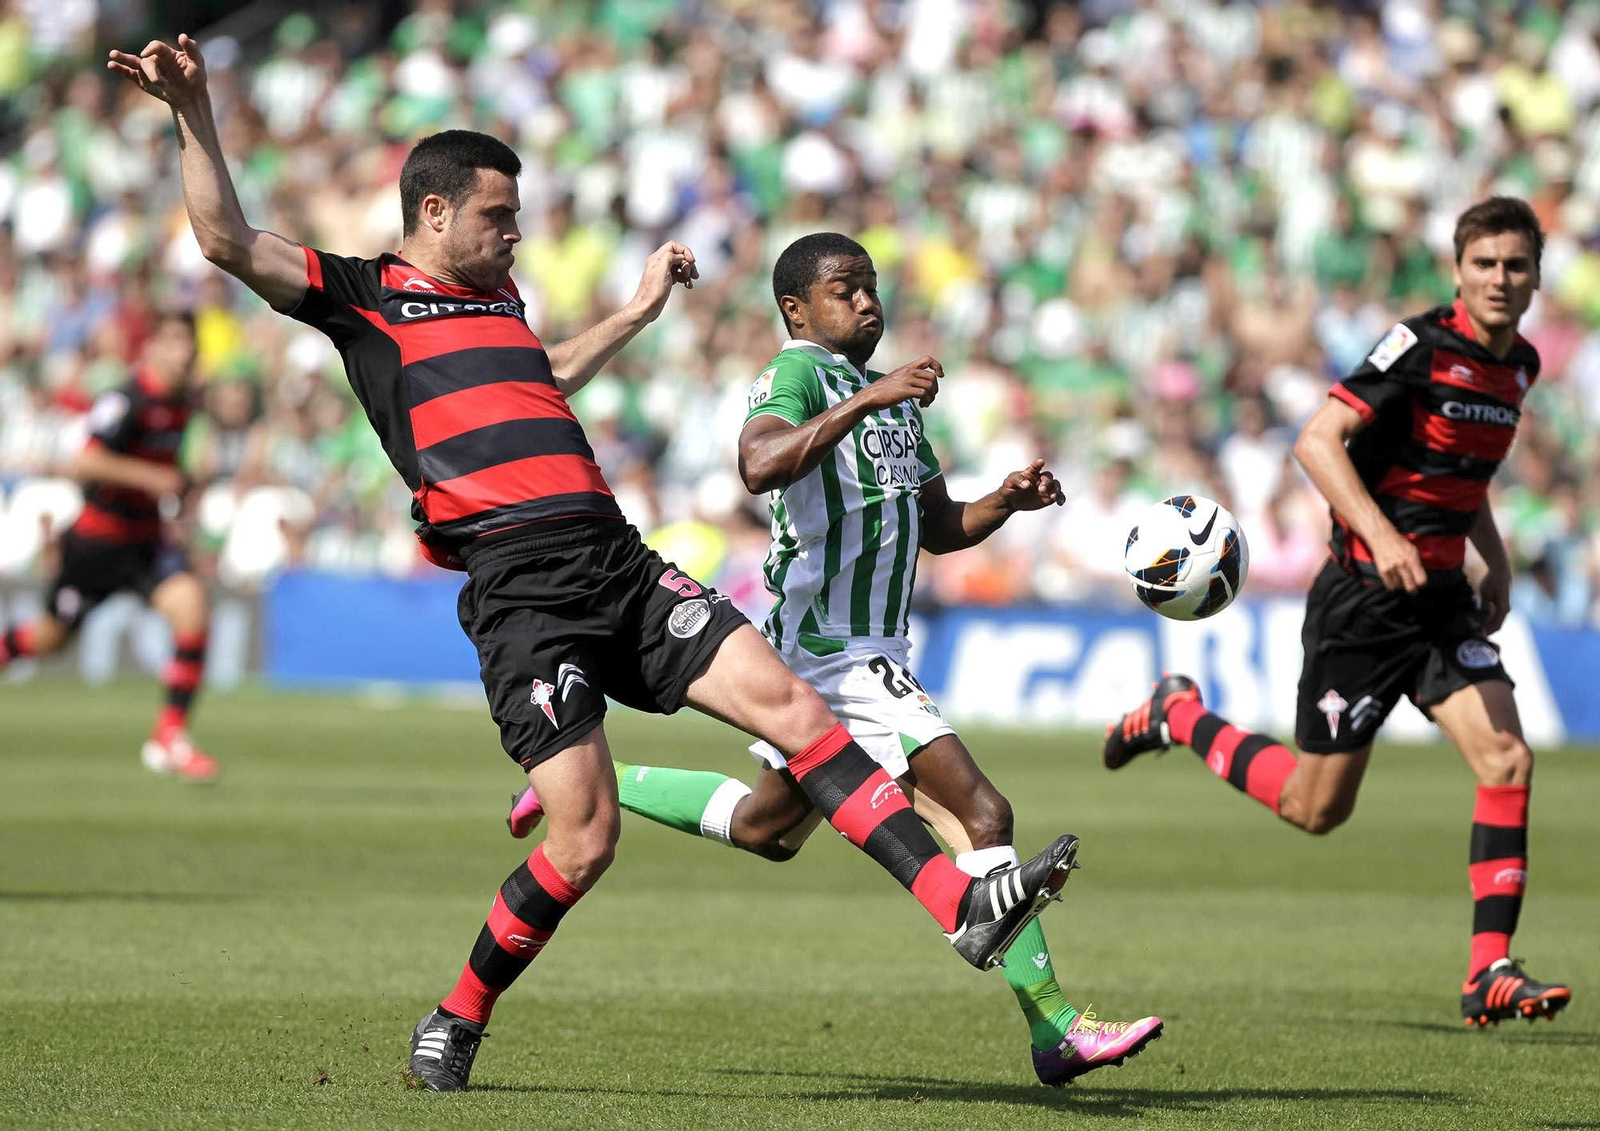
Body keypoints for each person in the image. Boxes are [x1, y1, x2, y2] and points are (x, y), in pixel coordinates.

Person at [108, 35, 1080, 1092]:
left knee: (800, 715)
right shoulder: (363, 297)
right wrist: (193, 109)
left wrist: (636, 309)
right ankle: (459, 1013)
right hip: (520, 587)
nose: (516, 234)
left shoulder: (502, 309)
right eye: (497, 216)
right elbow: (223, 237)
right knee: (584, 840)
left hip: (615, 556)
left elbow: (544, 373)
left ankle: (958, 908)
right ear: (433, 213)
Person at [508, 233, 1164, 1086]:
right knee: (984, 814)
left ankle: (599, 779)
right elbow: (759, 461)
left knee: (766, 827)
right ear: (797, 309)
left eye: (871, 286)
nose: (865, 302)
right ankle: (1056, 1028)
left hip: (866, 649)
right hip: (831, 649)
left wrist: (1003, 500)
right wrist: (870, 397)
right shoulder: (801, 373)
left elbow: (935, 526)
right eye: (844, 289)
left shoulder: (893, 402)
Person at [1102, 197, 1571, 1028]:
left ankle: (1488, 969)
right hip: (1363, 603)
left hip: (1442, 604)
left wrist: (1490, 557)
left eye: (1517, 265)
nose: (1501, 278)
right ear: (1458, 270)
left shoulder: (1520, 366)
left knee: (1507, 759)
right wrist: (1382, 533)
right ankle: (1179, 715)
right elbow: (1318, 440)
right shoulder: (1420, 347)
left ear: (1535, 275)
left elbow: (1465, 473)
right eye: (1486, 263)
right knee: (1314, 809)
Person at [0, 310, 218, 782]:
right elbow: (86, 462)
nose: (184, 353)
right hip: (97, 544)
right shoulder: (127, 398)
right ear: (154, 347)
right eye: (175, 342)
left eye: (190, 344)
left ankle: (170, 736)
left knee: (193, 607)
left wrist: (181, 492)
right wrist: (153, 478)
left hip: (143, 542)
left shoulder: (185, 402)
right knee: (50, 639)